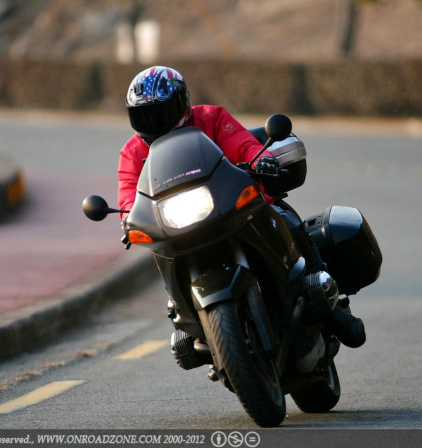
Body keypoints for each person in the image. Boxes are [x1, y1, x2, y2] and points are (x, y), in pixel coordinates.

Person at [117, 66, 365, 356]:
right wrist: (126, 218)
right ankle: (186, 318)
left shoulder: (210, 117)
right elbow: (127, 192)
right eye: (144, 116)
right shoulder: (133, 152)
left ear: (182, 103)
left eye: (162, 112)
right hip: (179, 222)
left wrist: (260, 159)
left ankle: (330, 302)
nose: (154, 122)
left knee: (284, 215)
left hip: (230, 204)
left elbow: (241, 142)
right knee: (162, 252)